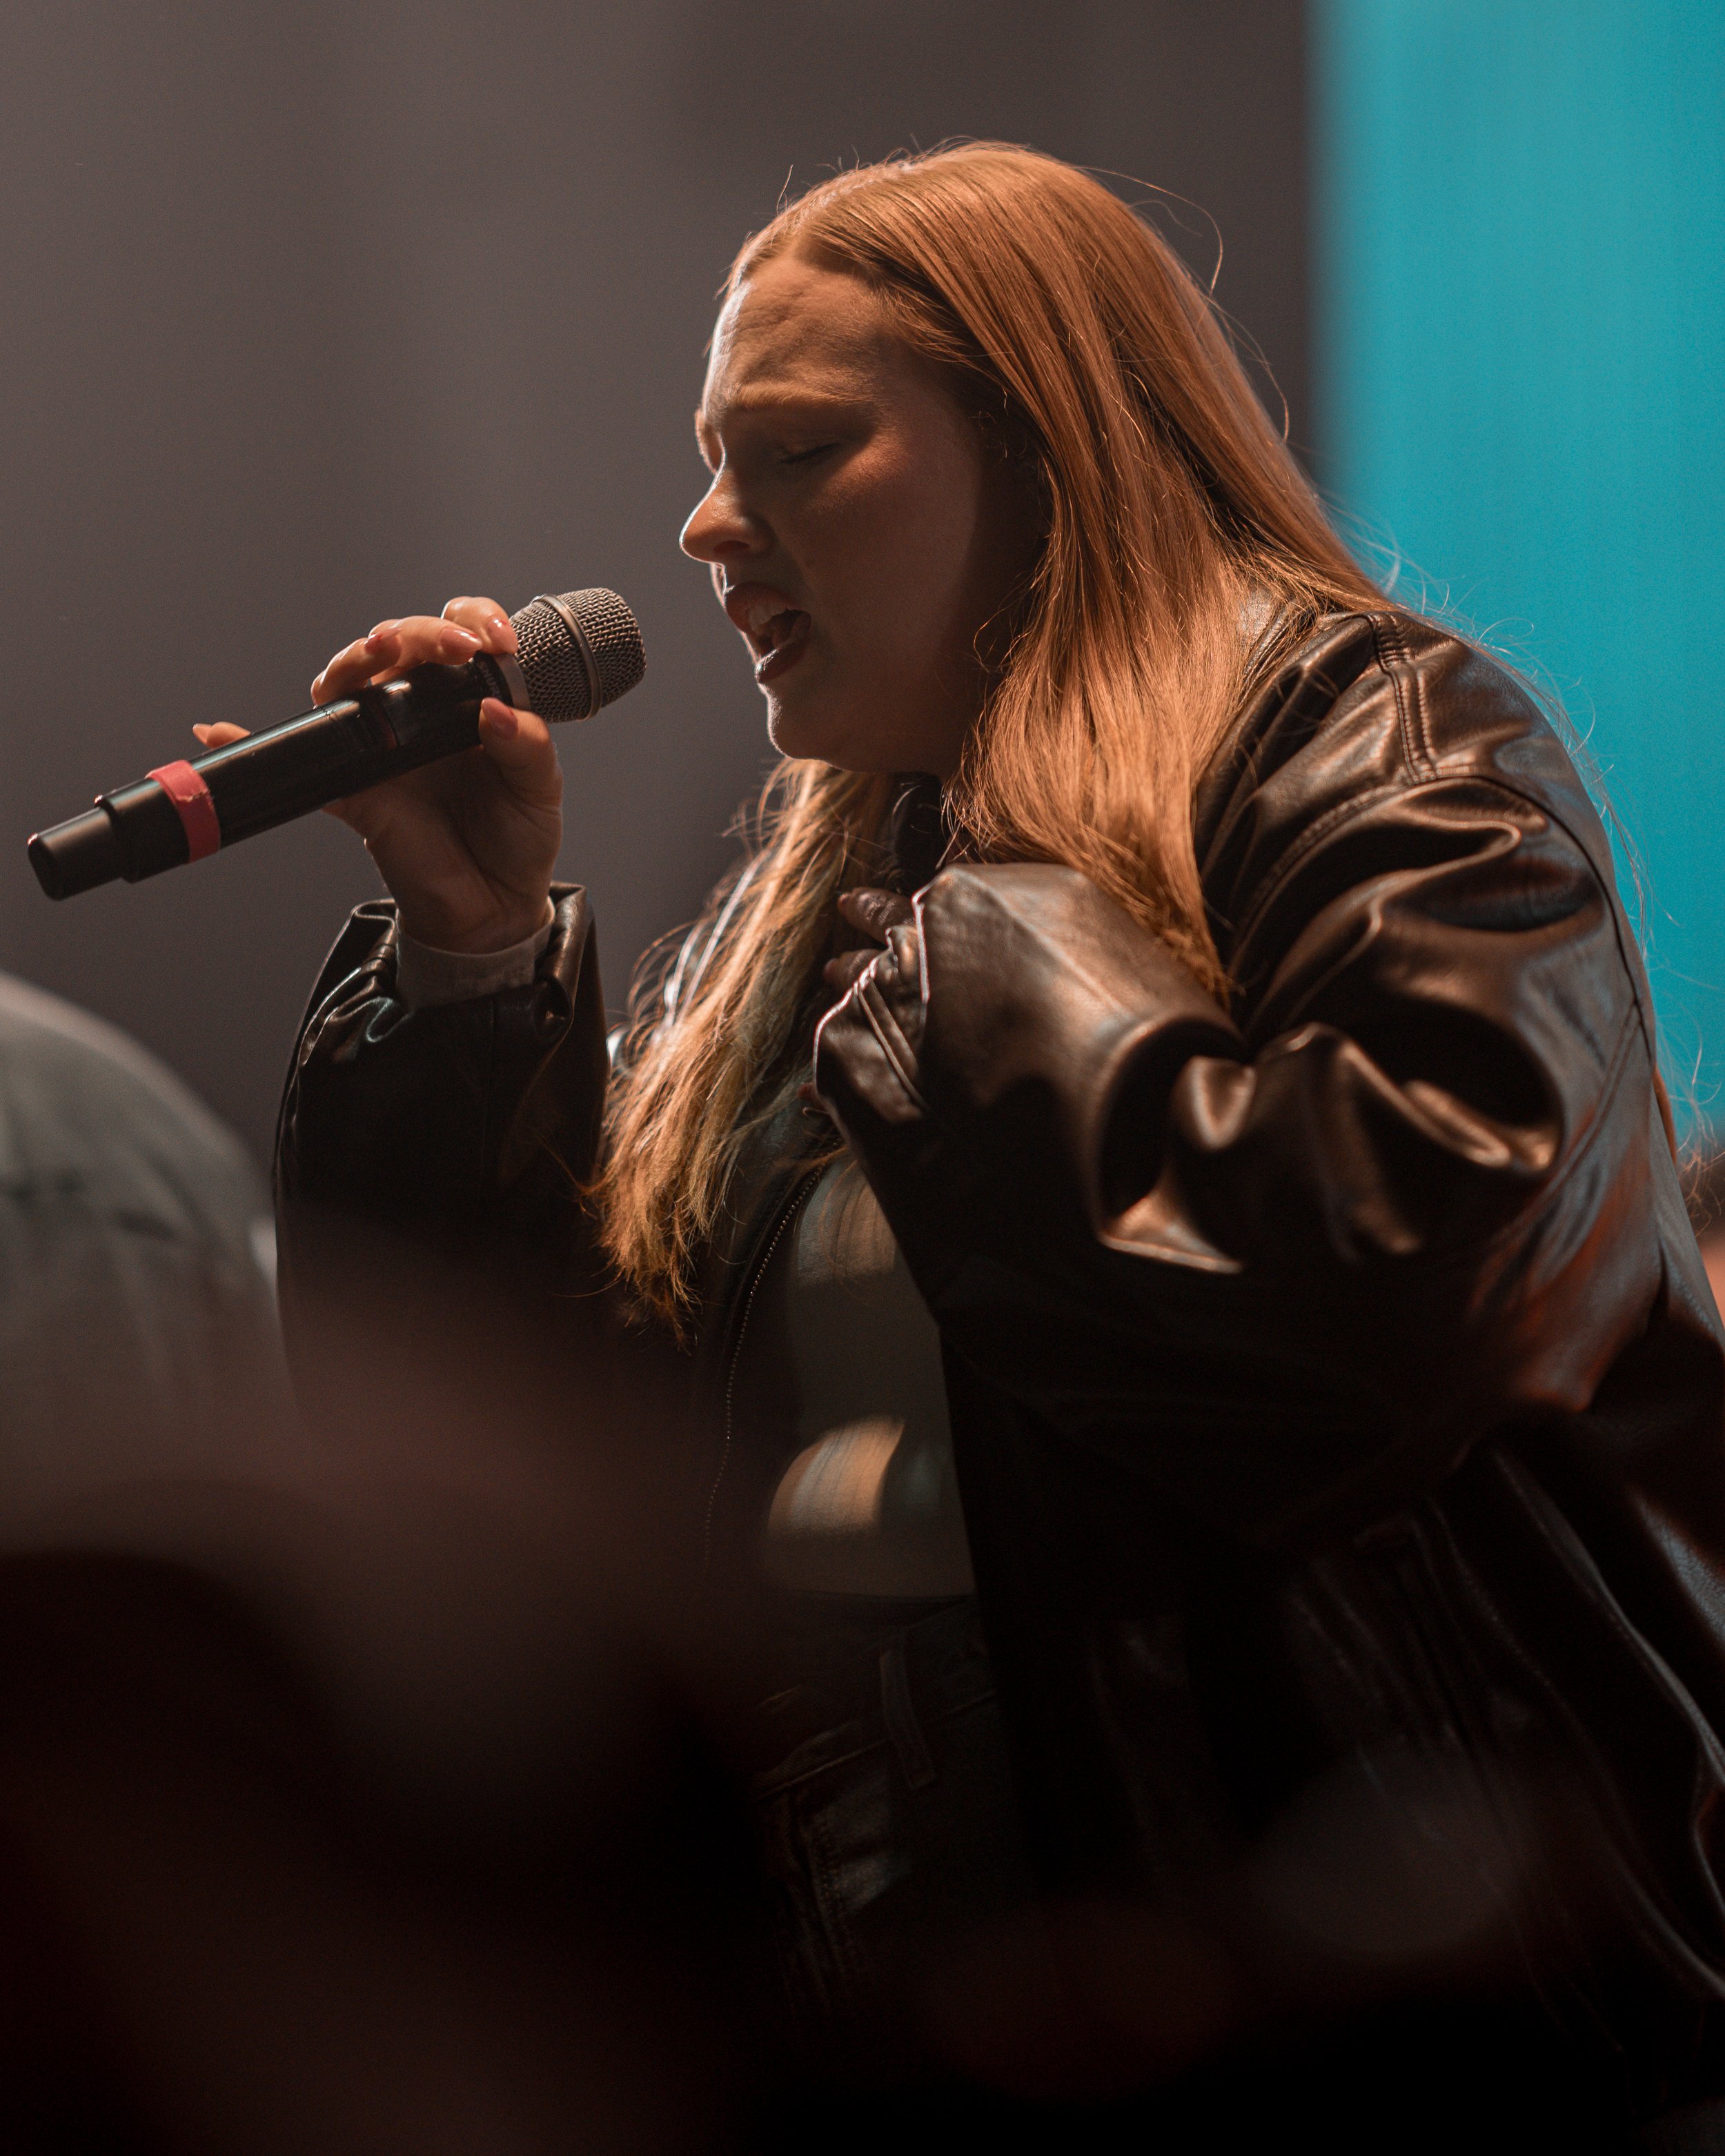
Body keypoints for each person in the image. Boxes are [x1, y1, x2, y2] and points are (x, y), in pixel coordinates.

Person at [242, 146, 1725, 2136]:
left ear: (1045, 447)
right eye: (707, 458)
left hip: (1354, 1999)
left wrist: (1011, 954)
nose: (703, 527)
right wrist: (473, 956)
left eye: (792, 450)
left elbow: (1423, 1284)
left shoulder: (1371, 748)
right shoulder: (824, 924)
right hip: (888, 1992)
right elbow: (517, 1469)